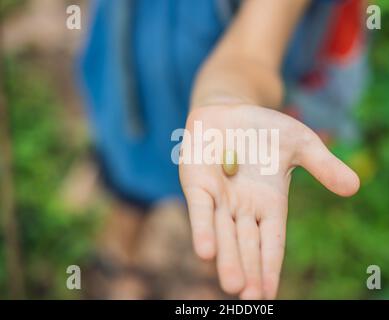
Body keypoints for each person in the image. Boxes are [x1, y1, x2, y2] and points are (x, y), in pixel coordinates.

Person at [79, 0, 365, 299]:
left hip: (210, 89)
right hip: (132, 68)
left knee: (212, 202)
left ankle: (208, 267)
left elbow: (251, 55)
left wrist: (226, 99)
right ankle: (125, 252)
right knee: (129, 169)